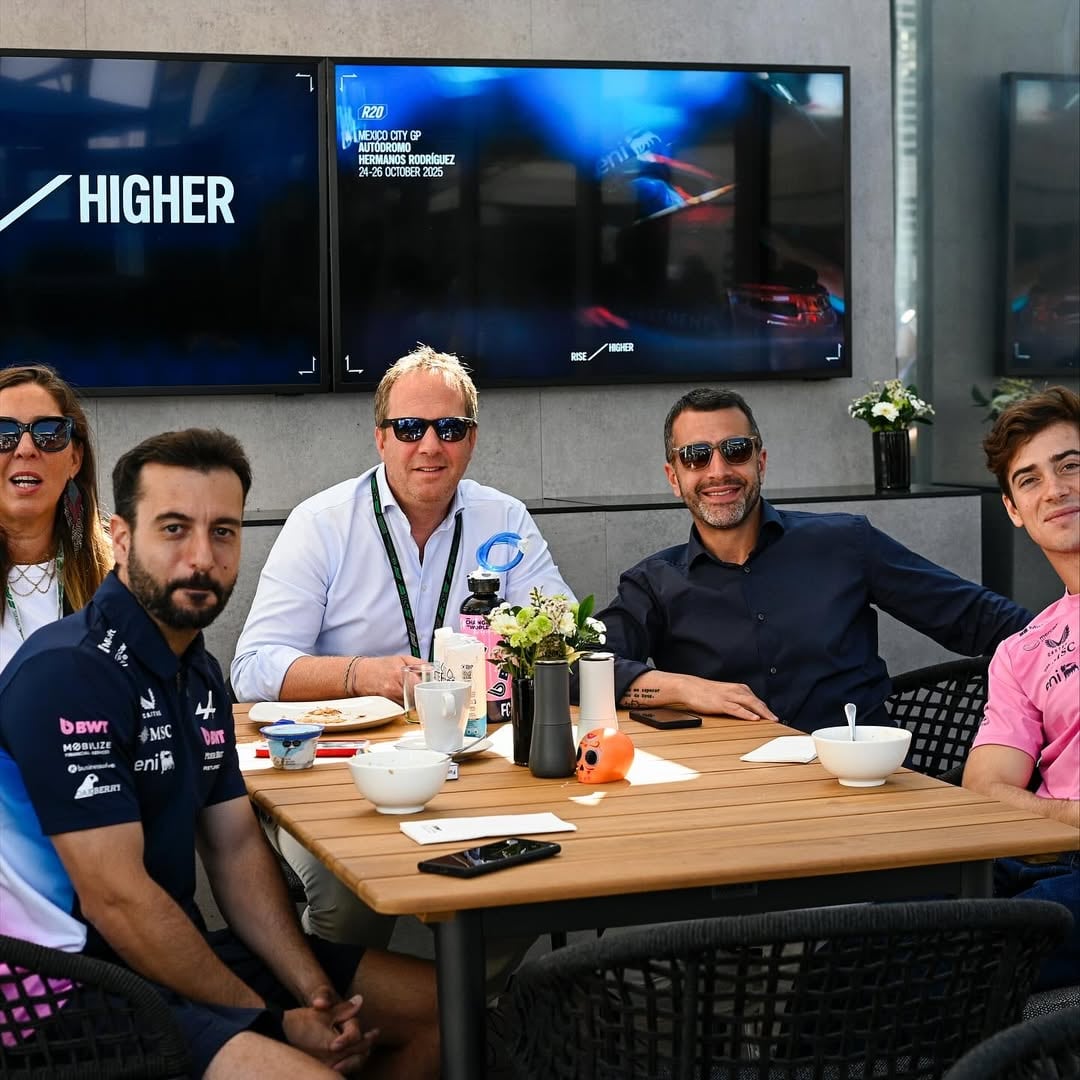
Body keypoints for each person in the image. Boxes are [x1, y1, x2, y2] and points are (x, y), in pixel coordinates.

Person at [0, 429, 439, 1079]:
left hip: (170, 954)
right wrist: (271, 1018)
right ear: (120, 538)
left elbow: (234, 850)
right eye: (173, 529)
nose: (202, 557)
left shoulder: (199, 672)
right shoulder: (67, 672)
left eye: (224, 531)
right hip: (65, 994)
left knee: (442, 1009)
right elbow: (117, 900)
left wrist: (314, 996)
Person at [230, 345, 572, 955]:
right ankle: (351, 1029)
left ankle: (452, 1035)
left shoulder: (505, 519)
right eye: (410, 428)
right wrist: (364, 674)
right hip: (346, 769)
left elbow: (561, 634)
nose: (430, 446)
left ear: (472, 439)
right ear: (380, 438)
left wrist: (503, 657)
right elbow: (253, 669)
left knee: (523, 892)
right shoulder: (323, 522)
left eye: (450, 428)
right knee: (345, 904)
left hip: (480, 764)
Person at [599, 387, 1033, 731]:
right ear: (674, 478)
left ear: (760, 462)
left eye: (735, 450)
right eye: (696, 456)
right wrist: (684, 689)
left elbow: (984, 621)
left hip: (859, 781)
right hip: (731, 793)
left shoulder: (845, 542)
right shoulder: (653, 583)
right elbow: (575, 669)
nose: (718, 471)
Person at [963, 386, 1079, 991]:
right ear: (1013, 508)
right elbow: (985, 789)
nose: (1055, 489)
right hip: (1040, 856)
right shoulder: (1022, 651)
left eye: (1070, 465)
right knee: (870, 931)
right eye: (1030, 479)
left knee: (975, 955)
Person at [0, 364, 112, 674]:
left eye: (48, 432)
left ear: (75, 459)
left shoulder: (121, 578)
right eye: (3, 433)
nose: (25, 449)